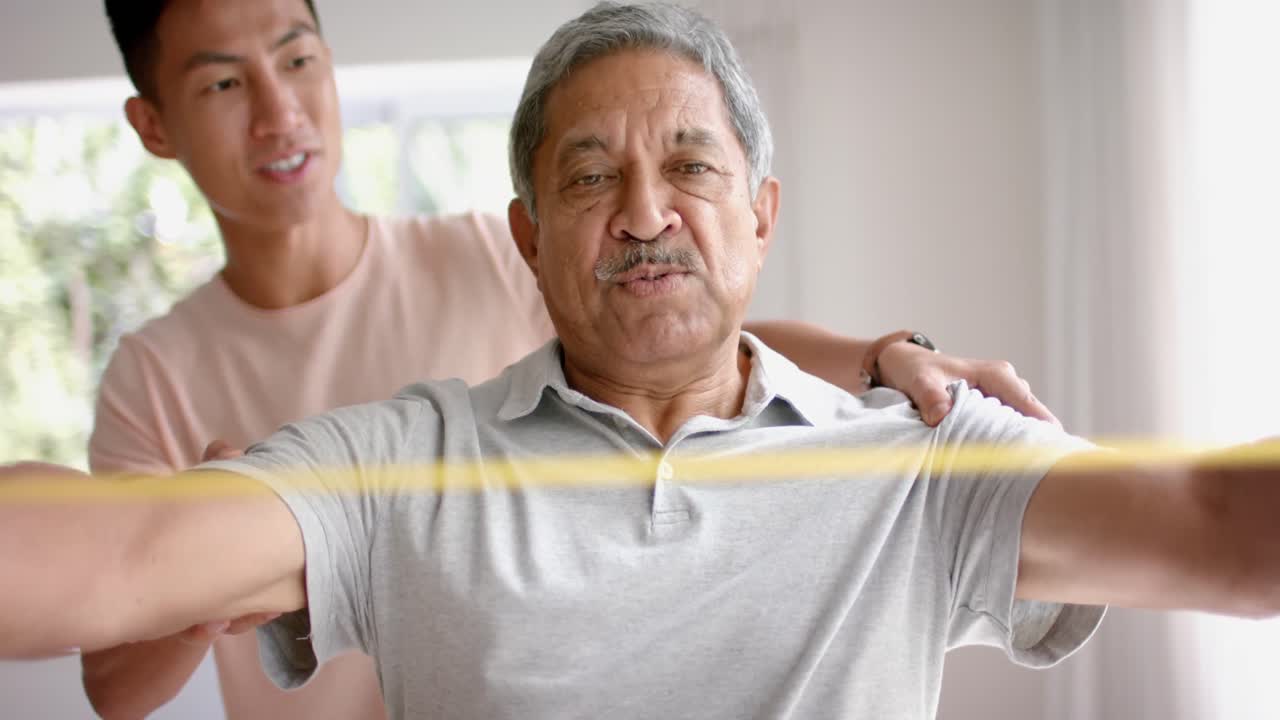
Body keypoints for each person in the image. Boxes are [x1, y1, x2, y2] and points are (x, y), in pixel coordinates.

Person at [4, 2, 1280, 717]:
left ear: (763, 213)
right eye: (591, 178)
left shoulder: (919, 458)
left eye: (689, 167)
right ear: (531, 241)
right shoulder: (390, 454)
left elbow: (1225, 521)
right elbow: (104, 569)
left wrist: (881, 359)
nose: (644, 213)